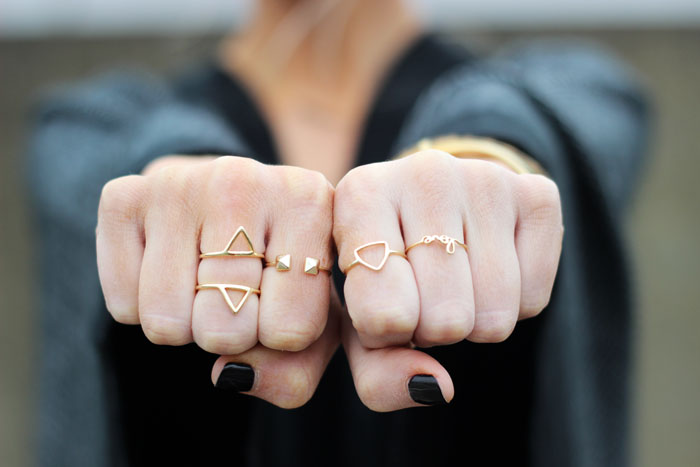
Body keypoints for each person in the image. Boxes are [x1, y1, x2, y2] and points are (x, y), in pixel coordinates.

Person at [28, 0, 649, 465]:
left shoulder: (566, 92)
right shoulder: (91, 125)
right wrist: (177, 172)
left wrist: (486, 157)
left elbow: (580, 121)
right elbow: (91, 165)